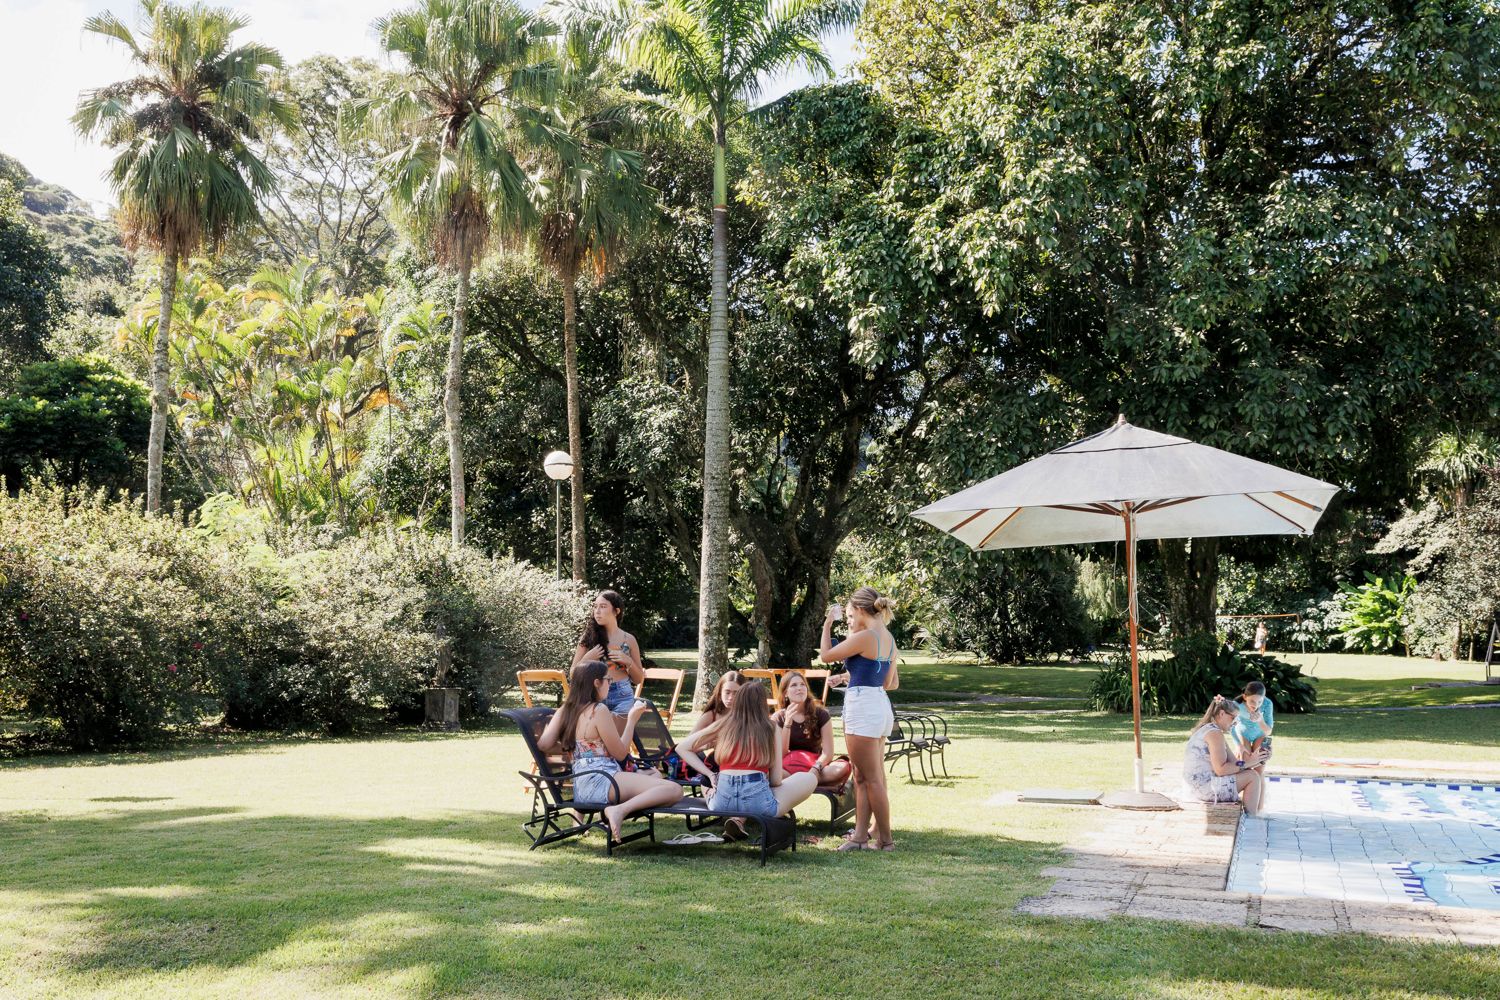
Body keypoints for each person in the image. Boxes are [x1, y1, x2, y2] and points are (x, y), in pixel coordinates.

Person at [538, 660, 683, 839]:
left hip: (582, 785)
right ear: (596, 683)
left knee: (654, 776)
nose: (610, 684)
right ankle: (619, 810)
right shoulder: (599, 710)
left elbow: (544, 744)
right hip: (603, 780)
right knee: (674, 790)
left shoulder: (565, 710)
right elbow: (621, 753)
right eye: (608, 680)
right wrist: (631, 720)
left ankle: (607, 813)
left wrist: (575, 744)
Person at [676, 681, 820, 835]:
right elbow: (776, 780)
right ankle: (742, 814)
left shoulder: (724, 724)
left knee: (706, 783)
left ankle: (738, 818)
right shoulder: (771, 728)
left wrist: (710, 774)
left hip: (721, 803)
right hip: (758, 802)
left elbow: (681, 747)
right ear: (762, 704)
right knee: (808, 778)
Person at [820, 586, 899, 852]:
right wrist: (849, 677)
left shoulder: (865, 636)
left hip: (863, 709)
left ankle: (886, 840)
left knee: (870, 778)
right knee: (863, 776)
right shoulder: (888, 637)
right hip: (879, 705)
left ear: (859, 609)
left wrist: (828, 624)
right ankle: (860, 837)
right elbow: (889, 682)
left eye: (850, 611)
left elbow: (826, 655)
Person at [1182, 695, 1267, 814]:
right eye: (1233, 718)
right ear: (1222, 714)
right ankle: (1252, 819)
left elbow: (1233, 763)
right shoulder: (1214, 733)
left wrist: (1257, 759)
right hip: (1203, 788)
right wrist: (1249, 763)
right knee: (1252, 777)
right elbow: (1221, 770)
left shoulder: (1212, 730)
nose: (1235, 724)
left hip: (1197, 786)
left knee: (1254, 774)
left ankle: (1255, 814)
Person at [571, 590, 645, 716]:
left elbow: (638, 679)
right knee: (595, 735)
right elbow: (573, 674)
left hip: (622, 695)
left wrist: (628, 662)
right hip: (594, 694)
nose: (597, 611)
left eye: (603, 606)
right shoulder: (588, 638)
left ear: (616, 611)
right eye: (595, 607)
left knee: (620, 734)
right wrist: (587, 659)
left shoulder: (629, 639)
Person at [773, 670, 851, 787]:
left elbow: (828, 753)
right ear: (785, 693)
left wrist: (815, 768)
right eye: (794, 685)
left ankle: (802, 781)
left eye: (802, 684)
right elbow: (781, 754)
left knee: (842, 768)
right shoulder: (778, 717)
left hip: (816, 766)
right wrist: (788, 722)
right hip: (788, 768)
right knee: (770, 772)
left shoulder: (821, 714)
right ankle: (806, 781)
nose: (799, 688)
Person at [1231, 680, 1275, 770]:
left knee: (1259, 769)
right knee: (1246, 766)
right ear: (1245, 697)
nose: (1255, 705)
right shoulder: (1236, 705)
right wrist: (1238, 745)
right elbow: (1230, 727)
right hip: (1243, 734)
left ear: (1264, 698)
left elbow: (1268, 731)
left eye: (1259, 702)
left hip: (1259, 734)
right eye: (1252, 701)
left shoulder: (1267, 703)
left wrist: (1260, 720)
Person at [689, 669, 743, 736]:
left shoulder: (749, 716)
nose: (730, 697)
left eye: (736, 693)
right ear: (720, 693)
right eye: (727, 692)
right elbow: (689, 741)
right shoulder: (710, 716)